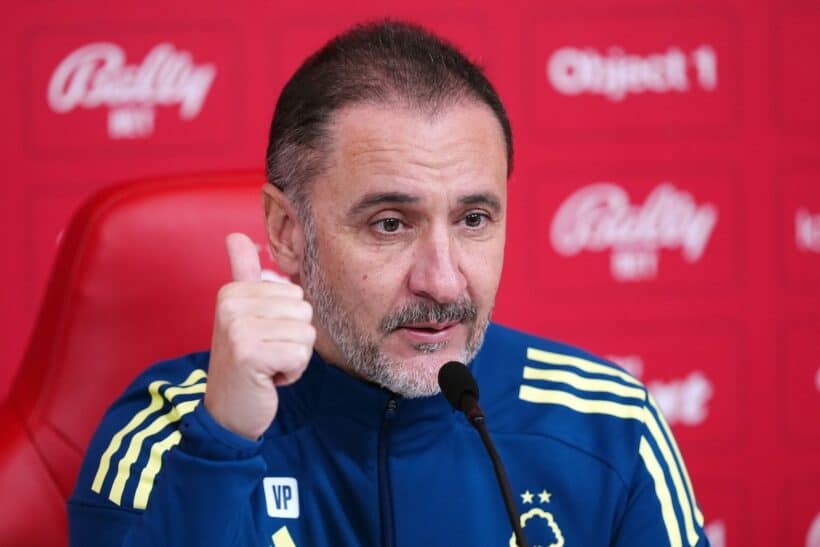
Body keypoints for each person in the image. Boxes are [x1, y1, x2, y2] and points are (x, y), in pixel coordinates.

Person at [68, 20, 710, 547]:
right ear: (288, 232)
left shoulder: (609, 424)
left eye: (474, 219)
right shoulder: (169, 432)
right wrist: (224, 444)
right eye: (391, 223)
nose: (443, 281)